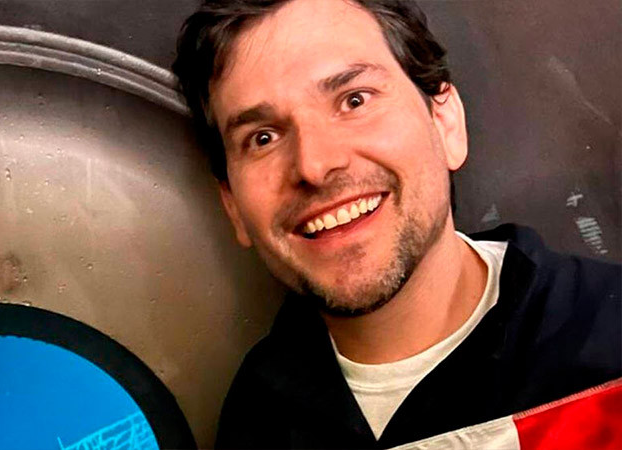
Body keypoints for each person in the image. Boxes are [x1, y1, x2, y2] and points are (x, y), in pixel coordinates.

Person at [171, 0, 621, 448]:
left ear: (445, 122)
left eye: (354, 100)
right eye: (262, 138)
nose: (314, 165)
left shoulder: (608, 347)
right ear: (232, 206)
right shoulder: (256, 421)